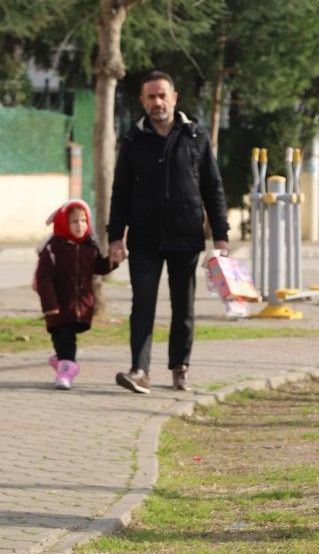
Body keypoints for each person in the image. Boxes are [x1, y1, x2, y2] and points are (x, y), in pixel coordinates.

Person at [108, 70, 230, 394]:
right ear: (142, 101)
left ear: (174, 98)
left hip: (186, 237)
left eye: (163, 95)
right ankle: (140, 370)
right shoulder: (132, 141)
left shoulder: (196, 137)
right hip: (145, 238)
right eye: (151, 96)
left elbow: (213, 189)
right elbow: (120, 193)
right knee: (143, 304)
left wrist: (221, 236)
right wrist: (115, 238)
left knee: (183, 307)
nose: (157, 102)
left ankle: (180, 368)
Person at [34, 200, 119, 389]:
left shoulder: (90, 246)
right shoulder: (53, 247)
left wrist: (112, 262)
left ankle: (62, 364)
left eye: (83, 221)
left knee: (65, 340)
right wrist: (50, 304)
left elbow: (98, 267)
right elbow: (43, 278)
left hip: (81, 306)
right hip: (58, 306)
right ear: (64, 222)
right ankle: (65, 374)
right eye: (74, 221)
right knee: (63, 339)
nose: (80, 225)